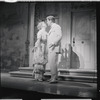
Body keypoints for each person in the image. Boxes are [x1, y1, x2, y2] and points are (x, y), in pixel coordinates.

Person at [46, 16, 62, 83]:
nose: (47, 22)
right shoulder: (52, 28)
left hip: (54, 47)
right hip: (51, 48)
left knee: (53, 63)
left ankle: (54, 78)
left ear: (50, 20)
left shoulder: (56, 26)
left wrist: (53, 43)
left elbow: (60, 35)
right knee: (51, 63)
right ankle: (53, 77)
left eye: (47, 21)